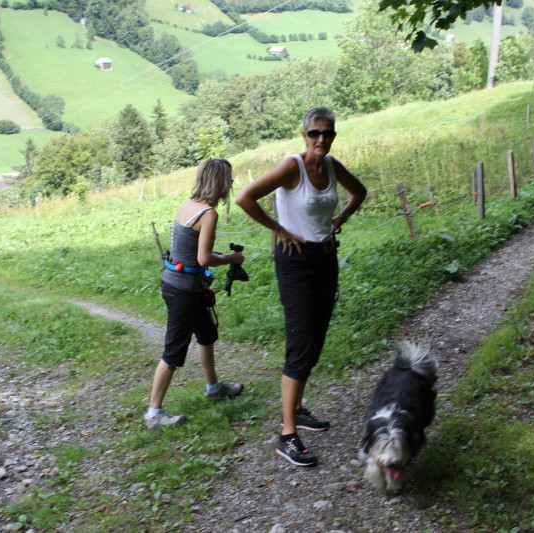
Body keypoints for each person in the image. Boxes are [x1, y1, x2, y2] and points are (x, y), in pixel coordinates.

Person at [236, 107, 367, 466]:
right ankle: (287, 435)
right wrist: (279, 229)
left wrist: (341, 216)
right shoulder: (292, 167)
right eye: (315, 133)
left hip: (325, 257)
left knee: (316, 338)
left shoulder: (332, 166)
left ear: (333, 135)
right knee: (301, 341)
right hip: (295, 261)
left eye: (328, 133)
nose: (321, 139)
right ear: (304, 135)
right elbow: (245, 197)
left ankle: (296, 410)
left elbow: (359, 192)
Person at [145, 158, 246, 429]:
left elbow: (191, 251)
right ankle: (154, 414)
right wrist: (230, 259)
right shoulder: (209, 214)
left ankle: (213, 388)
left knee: (206, 333)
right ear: (220, 182)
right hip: (183, 291)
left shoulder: (189, 204)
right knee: (174, 350)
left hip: (180, 284)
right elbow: (203, 259)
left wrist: (221, 255)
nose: (231, 184)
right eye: (229, 179)